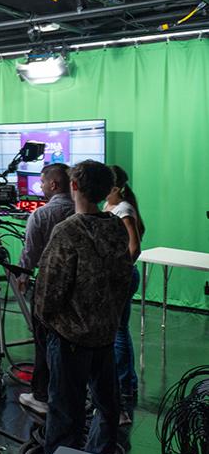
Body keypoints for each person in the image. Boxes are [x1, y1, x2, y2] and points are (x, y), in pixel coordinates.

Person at [35, 160, 133, 454]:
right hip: (104, 334)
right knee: (107, 407)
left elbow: (49, 290)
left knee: (65, 412)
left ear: (74, 186)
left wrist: (44, 318)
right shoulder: (116, 225)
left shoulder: (67, 231)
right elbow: (124, 276)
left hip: (70, 339)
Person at [17, 163, 75, 416]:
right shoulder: (82, 211)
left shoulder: (40, 216)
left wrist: (22, 276)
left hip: (47, 286)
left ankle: (41, 394)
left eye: (41, 182)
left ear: (53, 184)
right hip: (78, 288)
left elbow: (30, 254)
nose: (39, 187)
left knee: (43, 342)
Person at [105, 165, 146, 417]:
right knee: (116, 330)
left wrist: (121, 270)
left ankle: (125, 385)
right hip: (114, 275)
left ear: (116, 187)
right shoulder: (110, 206)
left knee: (119, 331)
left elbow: (135, 246)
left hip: (122, 276)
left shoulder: (124, 210)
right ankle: (126, 382)